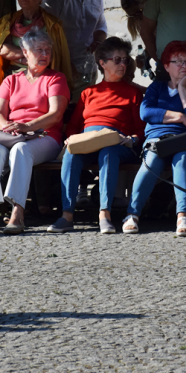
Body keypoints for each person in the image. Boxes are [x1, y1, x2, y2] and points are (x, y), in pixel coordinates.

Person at [0, 29, 69, 236]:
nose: (45, 54)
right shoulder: (11, 81)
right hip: (14, 134)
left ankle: (18, 212)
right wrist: (7, 126)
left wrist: (27, 126)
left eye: (47, 50)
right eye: (39, 50)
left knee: (21, 150)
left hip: (45, 136)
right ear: (25, 52)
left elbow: (55, 115)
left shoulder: (55, 79)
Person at [47, 37, 144, 234]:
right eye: (117, 59)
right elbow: (74, 124)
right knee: (71, 155)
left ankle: (104, 214)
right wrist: (70, 138)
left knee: (108, 153)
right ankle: (67, 215)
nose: (122, 64)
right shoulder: (88, 93)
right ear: (102, 63)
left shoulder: (133, 93)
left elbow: (142, 129)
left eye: (125, 60)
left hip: (118, 143)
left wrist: (131, 140)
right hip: (89, 141)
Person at [123, 41, 186, 237]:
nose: (184, 66)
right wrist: (181, 117)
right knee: (152, 160)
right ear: (166, 66)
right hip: (158, 139)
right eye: (178, 61)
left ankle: (183, 217)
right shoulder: (156, 88)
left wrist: (182, 88)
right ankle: (132, 215)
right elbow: (146, 113)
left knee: (183, 158)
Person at [0, 0, 73, 103]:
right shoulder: (6, 23)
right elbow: (2, 50)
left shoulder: (53, 25)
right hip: (13, 76)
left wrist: (21, 56)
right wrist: (34, 56)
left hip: (44, 77)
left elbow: (56, 56)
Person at [42, 0, 107, 98]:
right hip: (60, 70)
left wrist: (98, 41)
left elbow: (101, 25)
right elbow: (45, 35)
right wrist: (66, 64)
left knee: (84, 112)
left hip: (88, 69)